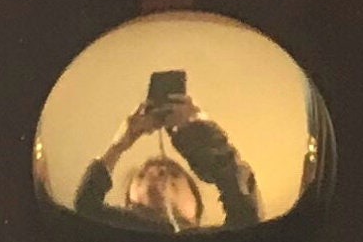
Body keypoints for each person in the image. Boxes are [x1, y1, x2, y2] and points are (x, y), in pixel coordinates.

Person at [71, 68, 261, 232]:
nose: (158, 173)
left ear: (196, 207)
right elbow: (86, 206)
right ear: (127, 202)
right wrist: (118, 146)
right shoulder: (115, 232)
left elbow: (247, 217)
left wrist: (201, 131)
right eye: (143, 175)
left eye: (174, 175)